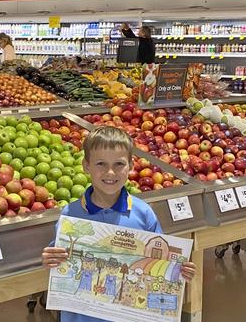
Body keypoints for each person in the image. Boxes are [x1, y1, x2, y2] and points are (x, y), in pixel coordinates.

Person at [41, 126, 196, 322]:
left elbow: (161, 257)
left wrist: (178, 270)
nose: (110, 172)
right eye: (100, 164)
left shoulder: (143, 213)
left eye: (119, 164)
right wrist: (50, 259)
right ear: (86, 166)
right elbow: (59, 259)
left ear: (130, 166)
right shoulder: (71, 213)